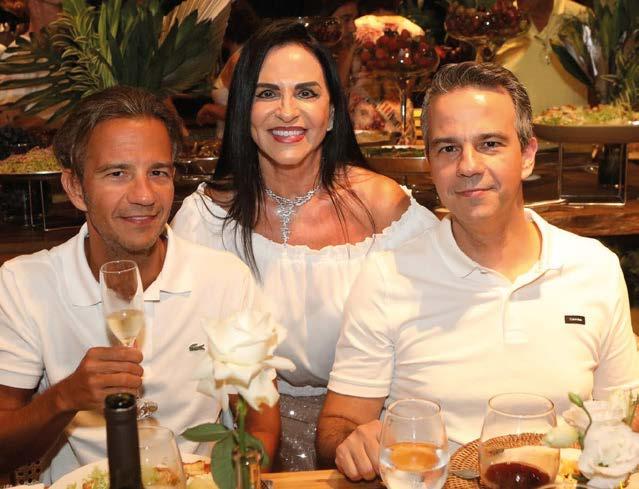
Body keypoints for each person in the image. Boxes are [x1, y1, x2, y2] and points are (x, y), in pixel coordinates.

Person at [316, 62, 639, 480]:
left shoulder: (594, 268)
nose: (468, 165)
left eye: (489, 144)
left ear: (527, 155)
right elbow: (337, 427)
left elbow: (623, 418)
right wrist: (353, 442)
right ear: (430, 163)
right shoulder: (387, 277)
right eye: (448, 148)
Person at [171, 19, 438, 471]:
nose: (287, 111)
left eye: (307, 93)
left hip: (364, 442)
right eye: (266, 93)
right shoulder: (205, 219)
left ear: (332, 114)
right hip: (242, 443)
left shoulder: (385, 211)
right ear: (242, 110)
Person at [0, 86, 279, 483]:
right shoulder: (24, 284)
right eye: (117, 173)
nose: (145, 196)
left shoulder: (224, 280)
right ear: (76, 188)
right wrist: (65, 397)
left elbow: (260, 424)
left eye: (158, 173)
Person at [494, 0, 588, 114]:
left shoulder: (582, 16)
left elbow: (600, 83)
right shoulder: (502, 20)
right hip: (518, 124)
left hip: (576, 122)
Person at [195, 0, 261, 135]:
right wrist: (215, 115)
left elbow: (244, 113)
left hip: (234, 141)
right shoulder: (241, 56)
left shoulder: (238, 60)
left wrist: (209, 108)